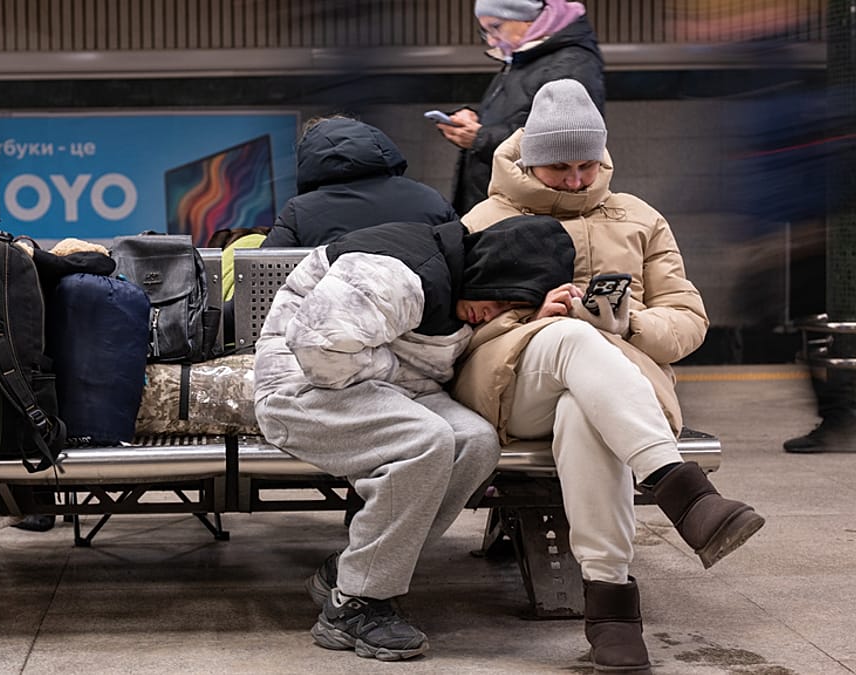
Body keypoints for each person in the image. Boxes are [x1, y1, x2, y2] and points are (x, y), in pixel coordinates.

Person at [452, 79, 765, 673]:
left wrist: (630, 324)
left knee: (583, 411)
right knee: (570, 336)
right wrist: (532, 316)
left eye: (587, 165)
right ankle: (683, 490)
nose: (576, 181)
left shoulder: (640, 217)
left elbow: (689, 319)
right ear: (529, 161)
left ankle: (611, 609)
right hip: (512, 381)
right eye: (559, 168)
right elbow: (457, 325)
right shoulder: (482, 221)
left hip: (620, 388)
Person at [254, 214, 577, 661]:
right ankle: (356, 604)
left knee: (476, 442)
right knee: (424, 440)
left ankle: (352, 570)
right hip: (300, 388)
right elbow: (318, 350)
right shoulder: (398, 271)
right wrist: (393, 370)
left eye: (511, 306)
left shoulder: (464, 283)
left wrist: (527, 319)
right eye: (499, 296)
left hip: (390, 388)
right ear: (488, 268)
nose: (493, 311)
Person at [437, 0, 604, 215]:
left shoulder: (570, 63)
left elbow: (566, 141)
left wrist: (480, 137)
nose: (491, 40)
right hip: (510, 204)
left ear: (529, 20)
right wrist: (476, 120)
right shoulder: (529, 55)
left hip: (531, 211)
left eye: (496, 26)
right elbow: (521, 116)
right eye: (485, 31)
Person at [261, 115, 457, 248]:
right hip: (424, 298)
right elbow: (461, 259)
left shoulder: (299, 211)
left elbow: (262, 275)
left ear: (309, 158)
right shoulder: (430, 198)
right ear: (378, 144)